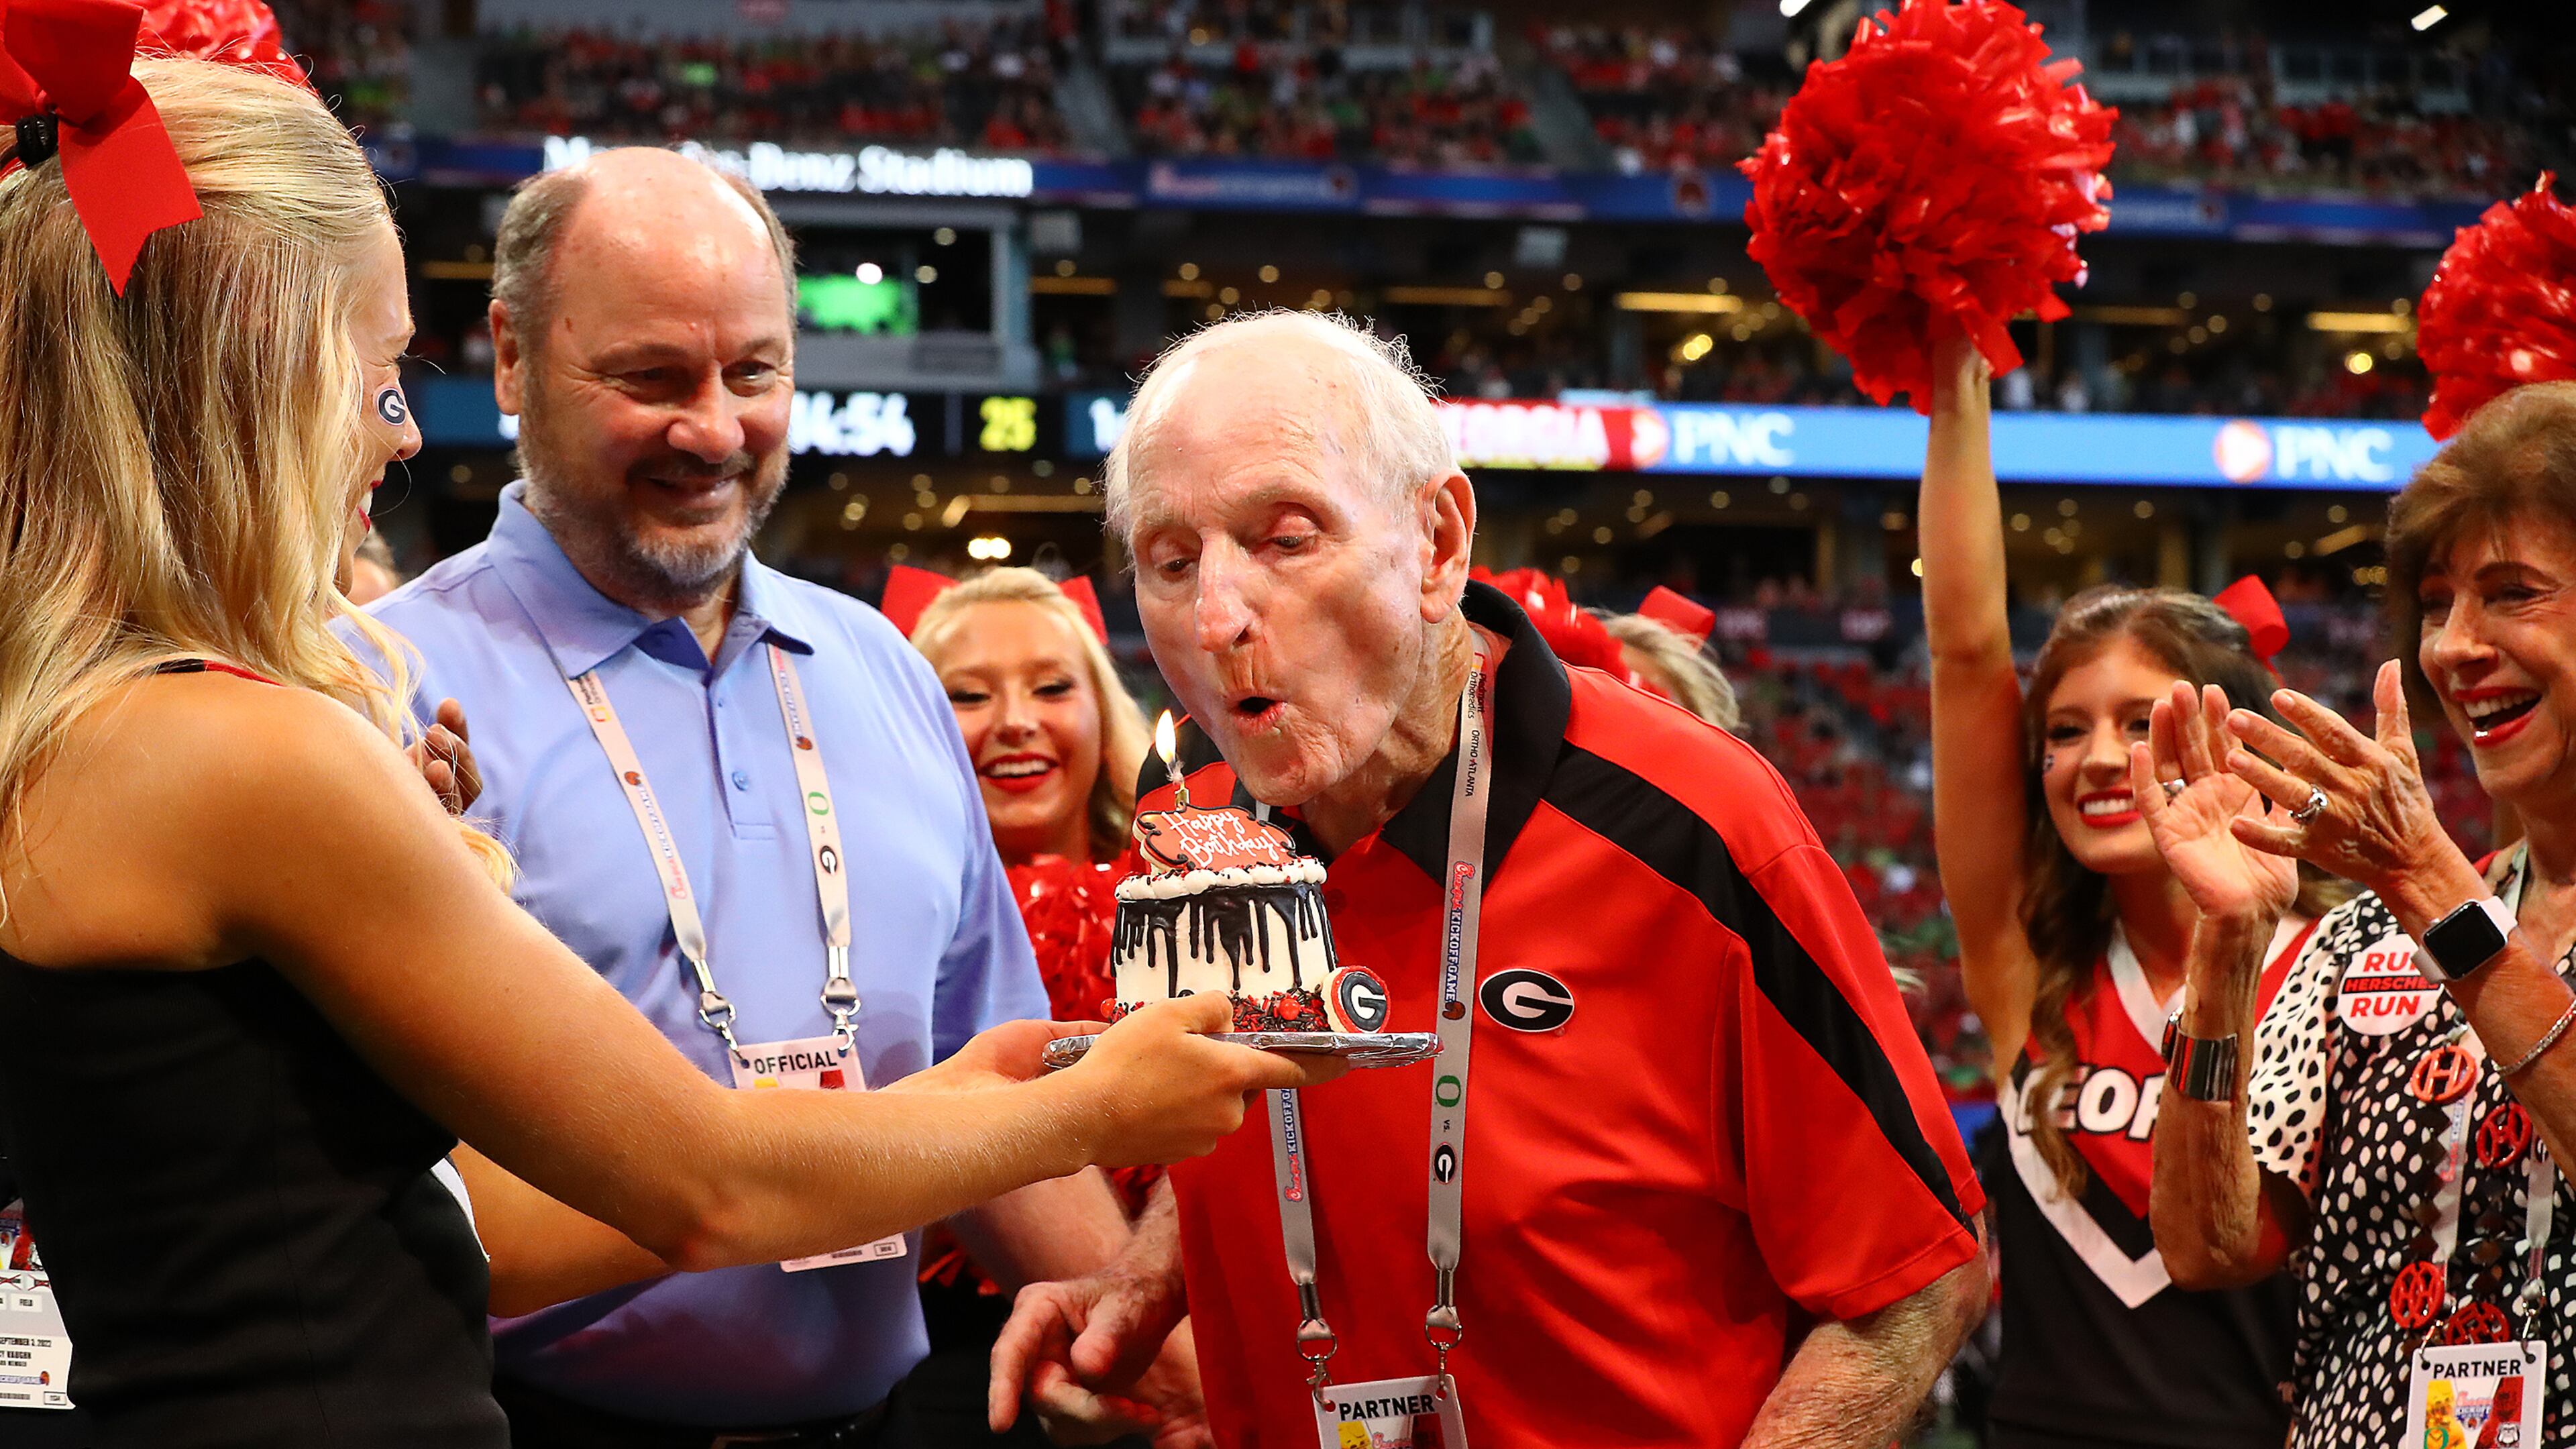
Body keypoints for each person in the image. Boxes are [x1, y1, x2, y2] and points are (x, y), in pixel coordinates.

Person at [0, 51, 1329, 1449]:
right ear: (248, 385)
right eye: (379, 373)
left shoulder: (126, 718)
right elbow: (702, 1183)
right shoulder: (269, 736)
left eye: (753, 368)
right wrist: (1096, 1106)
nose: (397, 433)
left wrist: (999, 1182)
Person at [361, 146, 1260, 1446]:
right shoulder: (387, 687)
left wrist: (1137, 1345)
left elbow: (993, 1085)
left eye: (756, 373)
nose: (715, 430)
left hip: (876, 1425)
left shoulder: (885, 673)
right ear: (511, 358)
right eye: (651, 377)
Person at [990, 311, 1990, 1448]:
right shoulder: (1192, 833)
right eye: (1171, 563)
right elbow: (1273, 1113)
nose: (1216, 619)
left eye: (1284, 539)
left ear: (1437, 541)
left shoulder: (1696, 829)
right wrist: (1142, 1280)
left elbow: (1920, 1277)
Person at [1916, 333, 2326, 1447]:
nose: (2099, 758)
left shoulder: (2334, 965)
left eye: (2144, 724)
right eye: (2062, 731)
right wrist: (1957, 362)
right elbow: (1963, 652)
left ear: (2234, 744)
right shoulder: (2023, 959)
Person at [2151, 380, 2576, 1446]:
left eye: (2512, 593)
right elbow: (2209, 1245)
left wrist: (2435, 887)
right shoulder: (2362, 942)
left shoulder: (2413, 896)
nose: (2454, 647)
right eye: (2438, 604)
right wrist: (2229, 948)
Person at [902, 566, 1179, 1444]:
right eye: (970, 695)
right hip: (948, 1369)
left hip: (1195, 1338)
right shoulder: (861, 934)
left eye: (1053, 687)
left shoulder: (1212, 898)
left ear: (1103, 713)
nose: (1016, 719)